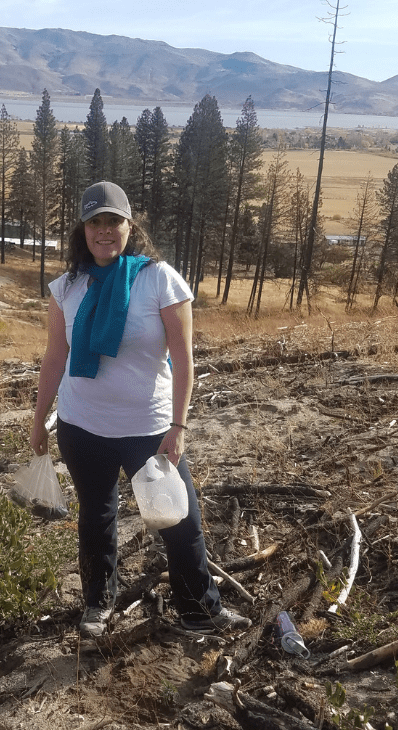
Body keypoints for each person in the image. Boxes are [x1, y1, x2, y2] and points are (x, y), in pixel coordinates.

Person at [30, 181, 251, 638]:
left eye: (114, 221)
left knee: (178, 519)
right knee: (96, 516)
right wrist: (39, 419)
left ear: (130, 226)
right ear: (83, 229)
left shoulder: (159, 278)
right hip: (81, 426)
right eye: (95, 222)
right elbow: (55, 357)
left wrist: (179, 424)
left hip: (148, 429)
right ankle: (98, 603)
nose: (104, 230)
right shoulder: (66, 287)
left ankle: (198, 612)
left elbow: (184, 356)